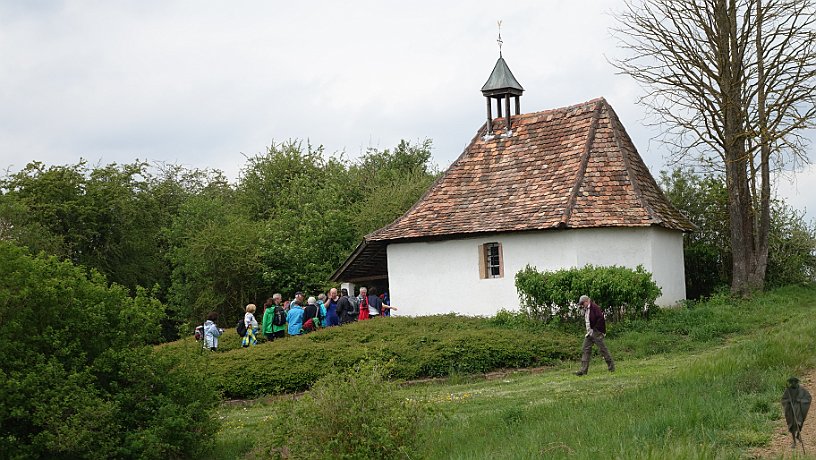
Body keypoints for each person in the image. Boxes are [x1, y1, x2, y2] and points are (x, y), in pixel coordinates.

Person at [574, 295, 615, 376]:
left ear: (586, 301)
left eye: (582, 303)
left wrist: (596, 330)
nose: (582, 305)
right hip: (589, 333)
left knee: (603, 349)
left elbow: (601, 318)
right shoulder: (586, 310)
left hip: (596, 332)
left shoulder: (595, 307)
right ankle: (583, 371)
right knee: (585, 349)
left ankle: (611, 367)